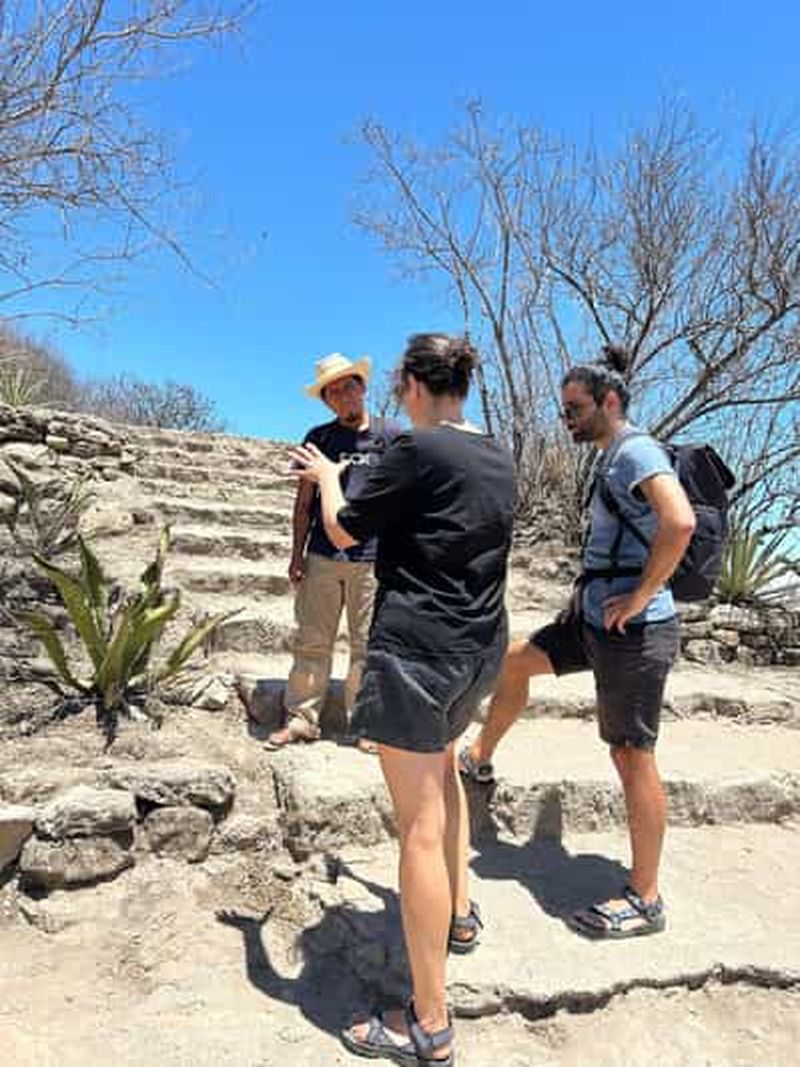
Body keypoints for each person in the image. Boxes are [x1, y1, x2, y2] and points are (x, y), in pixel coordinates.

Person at [291, 334, 515, 1066]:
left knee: (418, 827)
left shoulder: (416, 448)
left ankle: (429, 1022)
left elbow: (342, 527)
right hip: (478, 649)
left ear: (413, 384)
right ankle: (460, 914)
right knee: (445, 778)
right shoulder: (499, 454)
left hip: (418, 650)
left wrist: (329, 477)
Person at [459, 345, 696, 939]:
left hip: (634, 632)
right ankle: (480, 757)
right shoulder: (610, 455)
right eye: (563, 409)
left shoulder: (637, 450)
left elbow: (680, 522)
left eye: (574, 409)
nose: (564, 419)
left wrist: (639, 597)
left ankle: (645, 898)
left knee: (631, 753)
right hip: (592, 621)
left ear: (608, 402)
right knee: (514, 662)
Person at [266, 352, 401, 749]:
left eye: (348, 386)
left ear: (363, 387)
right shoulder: (319, 439)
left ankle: (366, 725)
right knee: (312, 639)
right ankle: (301, 718)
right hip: (323, 555)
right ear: (326, 401)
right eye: (333, 392)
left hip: (374, 557)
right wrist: (296, 554)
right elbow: (303, 503)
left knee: (368, 645)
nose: (343, 395)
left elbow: (404, 498)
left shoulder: (392, 435)